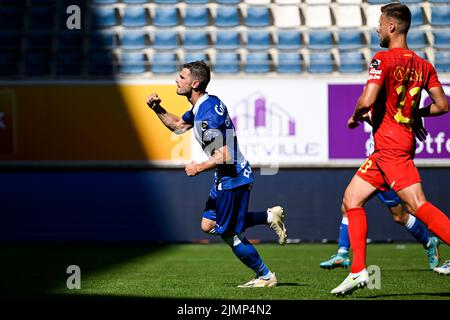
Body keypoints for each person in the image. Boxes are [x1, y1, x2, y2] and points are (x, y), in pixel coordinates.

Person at [331, 3, 450, 296]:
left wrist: (357, 115)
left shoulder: (382, 60)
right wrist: (416, 114)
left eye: (381, 24)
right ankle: (358, 272)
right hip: (388, 148)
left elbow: (367, 99)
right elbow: (442, 105)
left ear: (392, 27)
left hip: (393, 149)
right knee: (352, 198)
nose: (378, 29)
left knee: (417, 205)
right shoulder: (424, 65)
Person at [146, 61, 288, 288]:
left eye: (181, 77)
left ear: (195, 83)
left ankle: (265, 276)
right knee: (208, 224)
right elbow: (179, 126)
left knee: (229, 233)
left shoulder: (206, 116)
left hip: (234, 179)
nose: (176, 80)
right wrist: (157, 108)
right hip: (226, 177)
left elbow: (225, 155)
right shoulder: (203, 105)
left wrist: (198, 168)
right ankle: (267, 217)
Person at [320, 190, 440, 270]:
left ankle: (429, 243)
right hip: (373, 166)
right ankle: (342, 254)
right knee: (348, 205)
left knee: (399, 216)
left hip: (387, 169)